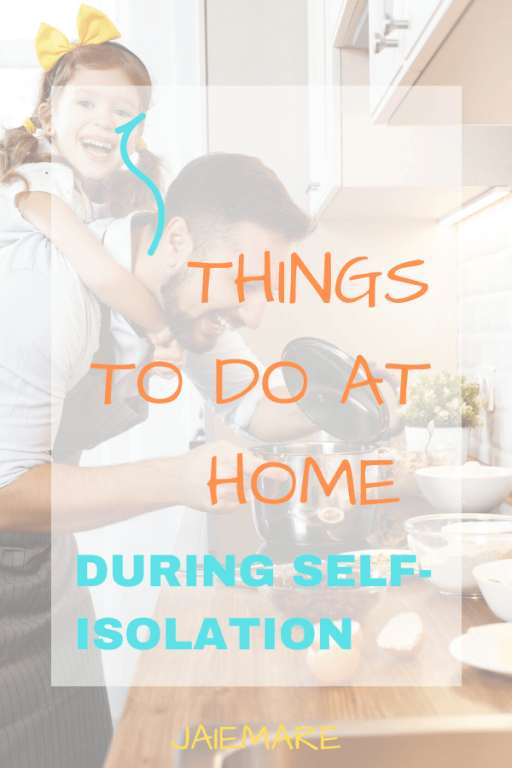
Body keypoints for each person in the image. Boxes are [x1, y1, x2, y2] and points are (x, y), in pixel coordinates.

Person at [0, 147, 314, 766]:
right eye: (244, 284)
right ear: (178, 240)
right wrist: (176, 479)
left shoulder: (177, 300)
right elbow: (7, 490)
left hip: (42, 567)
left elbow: (259, 406)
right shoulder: (46, 293)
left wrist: (376, 396)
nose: (251, 314)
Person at [0, 4, 185, 371]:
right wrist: (160, 328)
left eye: (122, 112)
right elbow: (100, 273)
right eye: (85, 102)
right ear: (49, 118)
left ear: (138, 135)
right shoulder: (38, 179)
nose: (104, 121)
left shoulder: (95, 201)